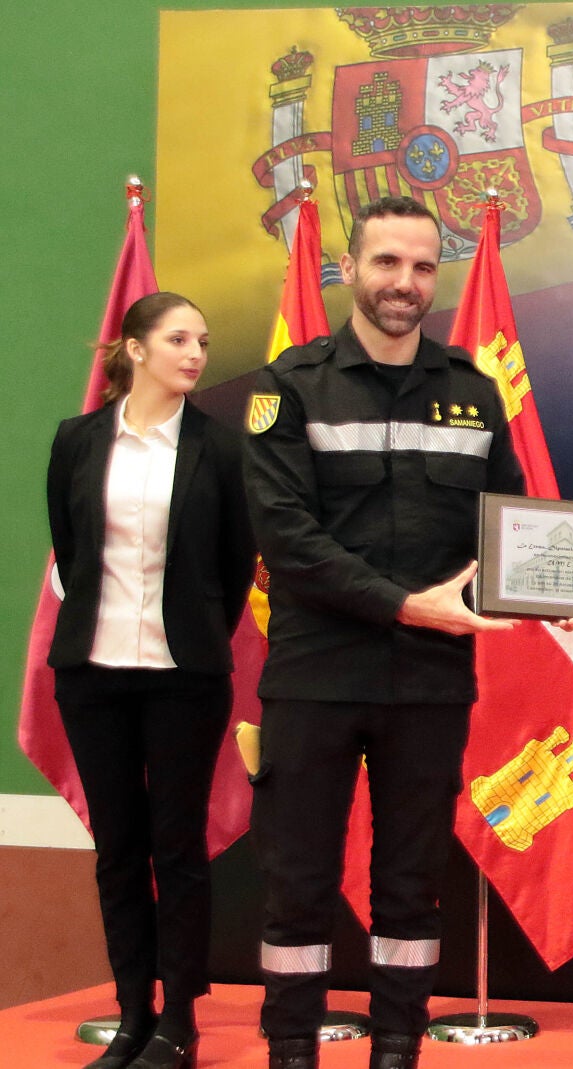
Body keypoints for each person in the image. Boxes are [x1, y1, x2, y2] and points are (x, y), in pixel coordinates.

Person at [243, 195, 523, 1069]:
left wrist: (552, 586)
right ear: (349, 269)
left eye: (423, 266)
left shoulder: (474, 392)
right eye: (387, 262)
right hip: (315, 677)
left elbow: (511, 527)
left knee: (412, 885)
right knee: (298, 882)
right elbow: (288, 541)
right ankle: (292, 1048)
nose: (406, 282)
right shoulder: (289, 387)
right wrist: (406, 605)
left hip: (429, 681)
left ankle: (399, 1047)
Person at [45, 292, 254, 1069]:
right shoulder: (77, 440)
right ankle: (131, 1012)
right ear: (134, 348)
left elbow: (234, 567)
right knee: (118, 848)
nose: (195, 353)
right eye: (178, 339)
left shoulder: (219, 448)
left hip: (183, 676)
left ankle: (178, 1020)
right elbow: (72, 550)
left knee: (178, 846)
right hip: (92, 673)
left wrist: (191, 635)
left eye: (203, 340)